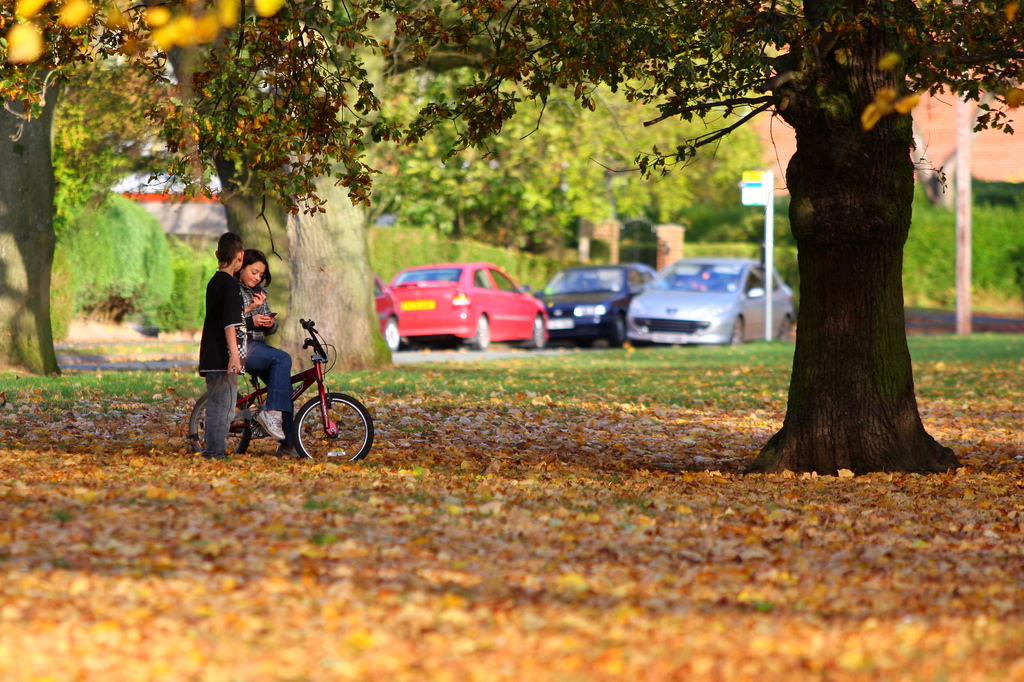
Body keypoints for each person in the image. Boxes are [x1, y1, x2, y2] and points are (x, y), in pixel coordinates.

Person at [236, 249, 299, 457]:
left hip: (258, 345)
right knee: (283, 358)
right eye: (254, 272)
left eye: (261, 274)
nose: (257, 277)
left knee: (284, 389)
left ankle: (288, 445)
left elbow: (271, 329)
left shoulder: (261, 291)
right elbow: (228, 321)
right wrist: (250, 320)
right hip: (241, 345)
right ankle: (270, 414)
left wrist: (269, 323)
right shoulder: (233, 289)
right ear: (241, 267)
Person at [197, 232, 246, 460]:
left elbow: (222, 316)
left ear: (218, 254)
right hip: (221, 356)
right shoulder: (230, 285)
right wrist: (234, 355)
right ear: (240, 256)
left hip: (210, 352)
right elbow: (229, 324)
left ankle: (212, 449)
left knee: (216, 405)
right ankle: (215, 452)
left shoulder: (214, 282)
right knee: (223, 407)